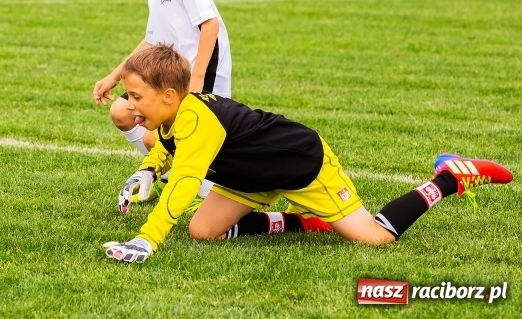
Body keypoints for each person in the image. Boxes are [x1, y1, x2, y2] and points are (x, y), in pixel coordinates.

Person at [103, 44, 513, 263]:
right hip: (249, 178)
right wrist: (147, 168)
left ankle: (448, 177)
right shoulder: (174, 115)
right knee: (204, 231)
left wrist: (147, 240)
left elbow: (185, 183)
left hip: (300, 164)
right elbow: (172, 150)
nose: (131, 106)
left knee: (375, 238)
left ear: (170, 95)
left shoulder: (196, 119)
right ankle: (313, 223)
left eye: (137, 96)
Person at [93, 0, 232, 201]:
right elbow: (152, 39)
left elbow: (210, 24)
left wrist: (197, 79)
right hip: (171, 77)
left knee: (192, 141)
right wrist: (113, 77)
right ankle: (167, 174)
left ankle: (211, 193)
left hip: (199, 75)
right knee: (122, 111)